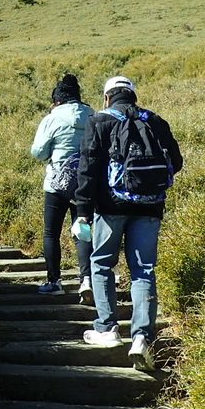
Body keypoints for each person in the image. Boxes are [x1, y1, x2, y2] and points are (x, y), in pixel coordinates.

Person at [74, 75, 182, 370]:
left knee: (102, 264)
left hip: (110, 207)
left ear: (107, 97)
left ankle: (107, 328)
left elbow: (88, 168)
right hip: (150, 207)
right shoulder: (155, 120)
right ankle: (142, 338)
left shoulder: (100, 120)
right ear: (133, 96)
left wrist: (83, 209)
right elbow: (177, 161)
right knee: (143, 270)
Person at [30, 74, 95, 299]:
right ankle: (86, 279)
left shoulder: (52, 118)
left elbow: (38, 152)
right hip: (85, 183)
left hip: (57, 181)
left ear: (57, 99)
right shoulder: (92, 115)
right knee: (83, 231)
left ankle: (54, 281)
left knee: (51, 233)